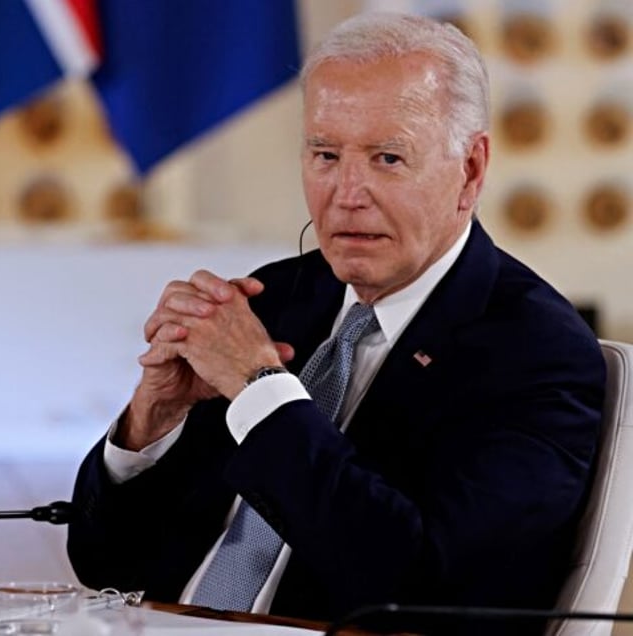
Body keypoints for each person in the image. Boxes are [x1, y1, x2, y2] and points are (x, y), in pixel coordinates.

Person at [67, 11, 605, 634]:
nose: (346, 193)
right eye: (325, 154)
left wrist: (260, 388)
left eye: (387, 158)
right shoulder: (276, 298)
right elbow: (105, 563)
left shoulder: (535, 350)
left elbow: (418, 585)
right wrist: (150, 423)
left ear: (471, 169)